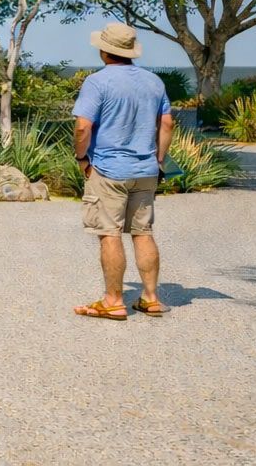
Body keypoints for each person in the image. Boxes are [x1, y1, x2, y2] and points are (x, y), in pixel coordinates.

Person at [71, 22, 174, 321]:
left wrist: (82, 159)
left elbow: (82, 126)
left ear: (104, 51)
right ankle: (151, 298)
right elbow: (166, 124)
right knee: (143, 232)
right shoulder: (154, 82)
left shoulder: (97, 82)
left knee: (109, 233)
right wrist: (158, 160)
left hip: (109, 169)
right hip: (146, 168)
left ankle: (113, 300)